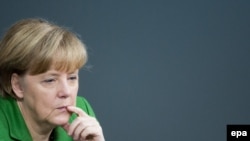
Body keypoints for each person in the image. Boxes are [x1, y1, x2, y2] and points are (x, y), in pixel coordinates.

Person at [0, 18, 105, 141]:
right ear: (18, 85)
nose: (66, 92)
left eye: (72, 78)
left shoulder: (81, 113)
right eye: (50, 80)